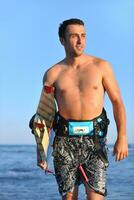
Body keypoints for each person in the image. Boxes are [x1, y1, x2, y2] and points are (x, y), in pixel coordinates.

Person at [32, 18, 128, 200]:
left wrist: (122, 137)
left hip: (95, 142)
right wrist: (40, 150)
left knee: (96, 197)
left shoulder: (101, 67)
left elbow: (117, 102)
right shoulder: (52, 74)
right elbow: (45, 114)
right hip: (64, 143)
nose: (80, 41)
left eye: (83, 36)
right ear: (62, 40)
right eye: (74, 36)